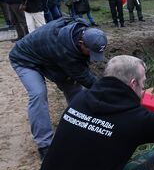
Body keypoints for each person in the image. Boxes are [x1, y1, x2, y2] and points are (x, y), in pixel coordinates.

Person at [9, 18, 108, 160]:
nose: (93, 58)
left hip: (48, 57)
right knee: (38, 94)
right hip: (24, 59)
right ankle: (44, 145)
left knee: (74, 90)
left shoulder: (85, 30)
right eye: (91, 52)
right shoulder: (63, 50)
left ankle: (82, 127)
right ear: (81, 44)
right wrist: (111, 91)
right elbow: (86, 79)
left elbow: (80, 70)